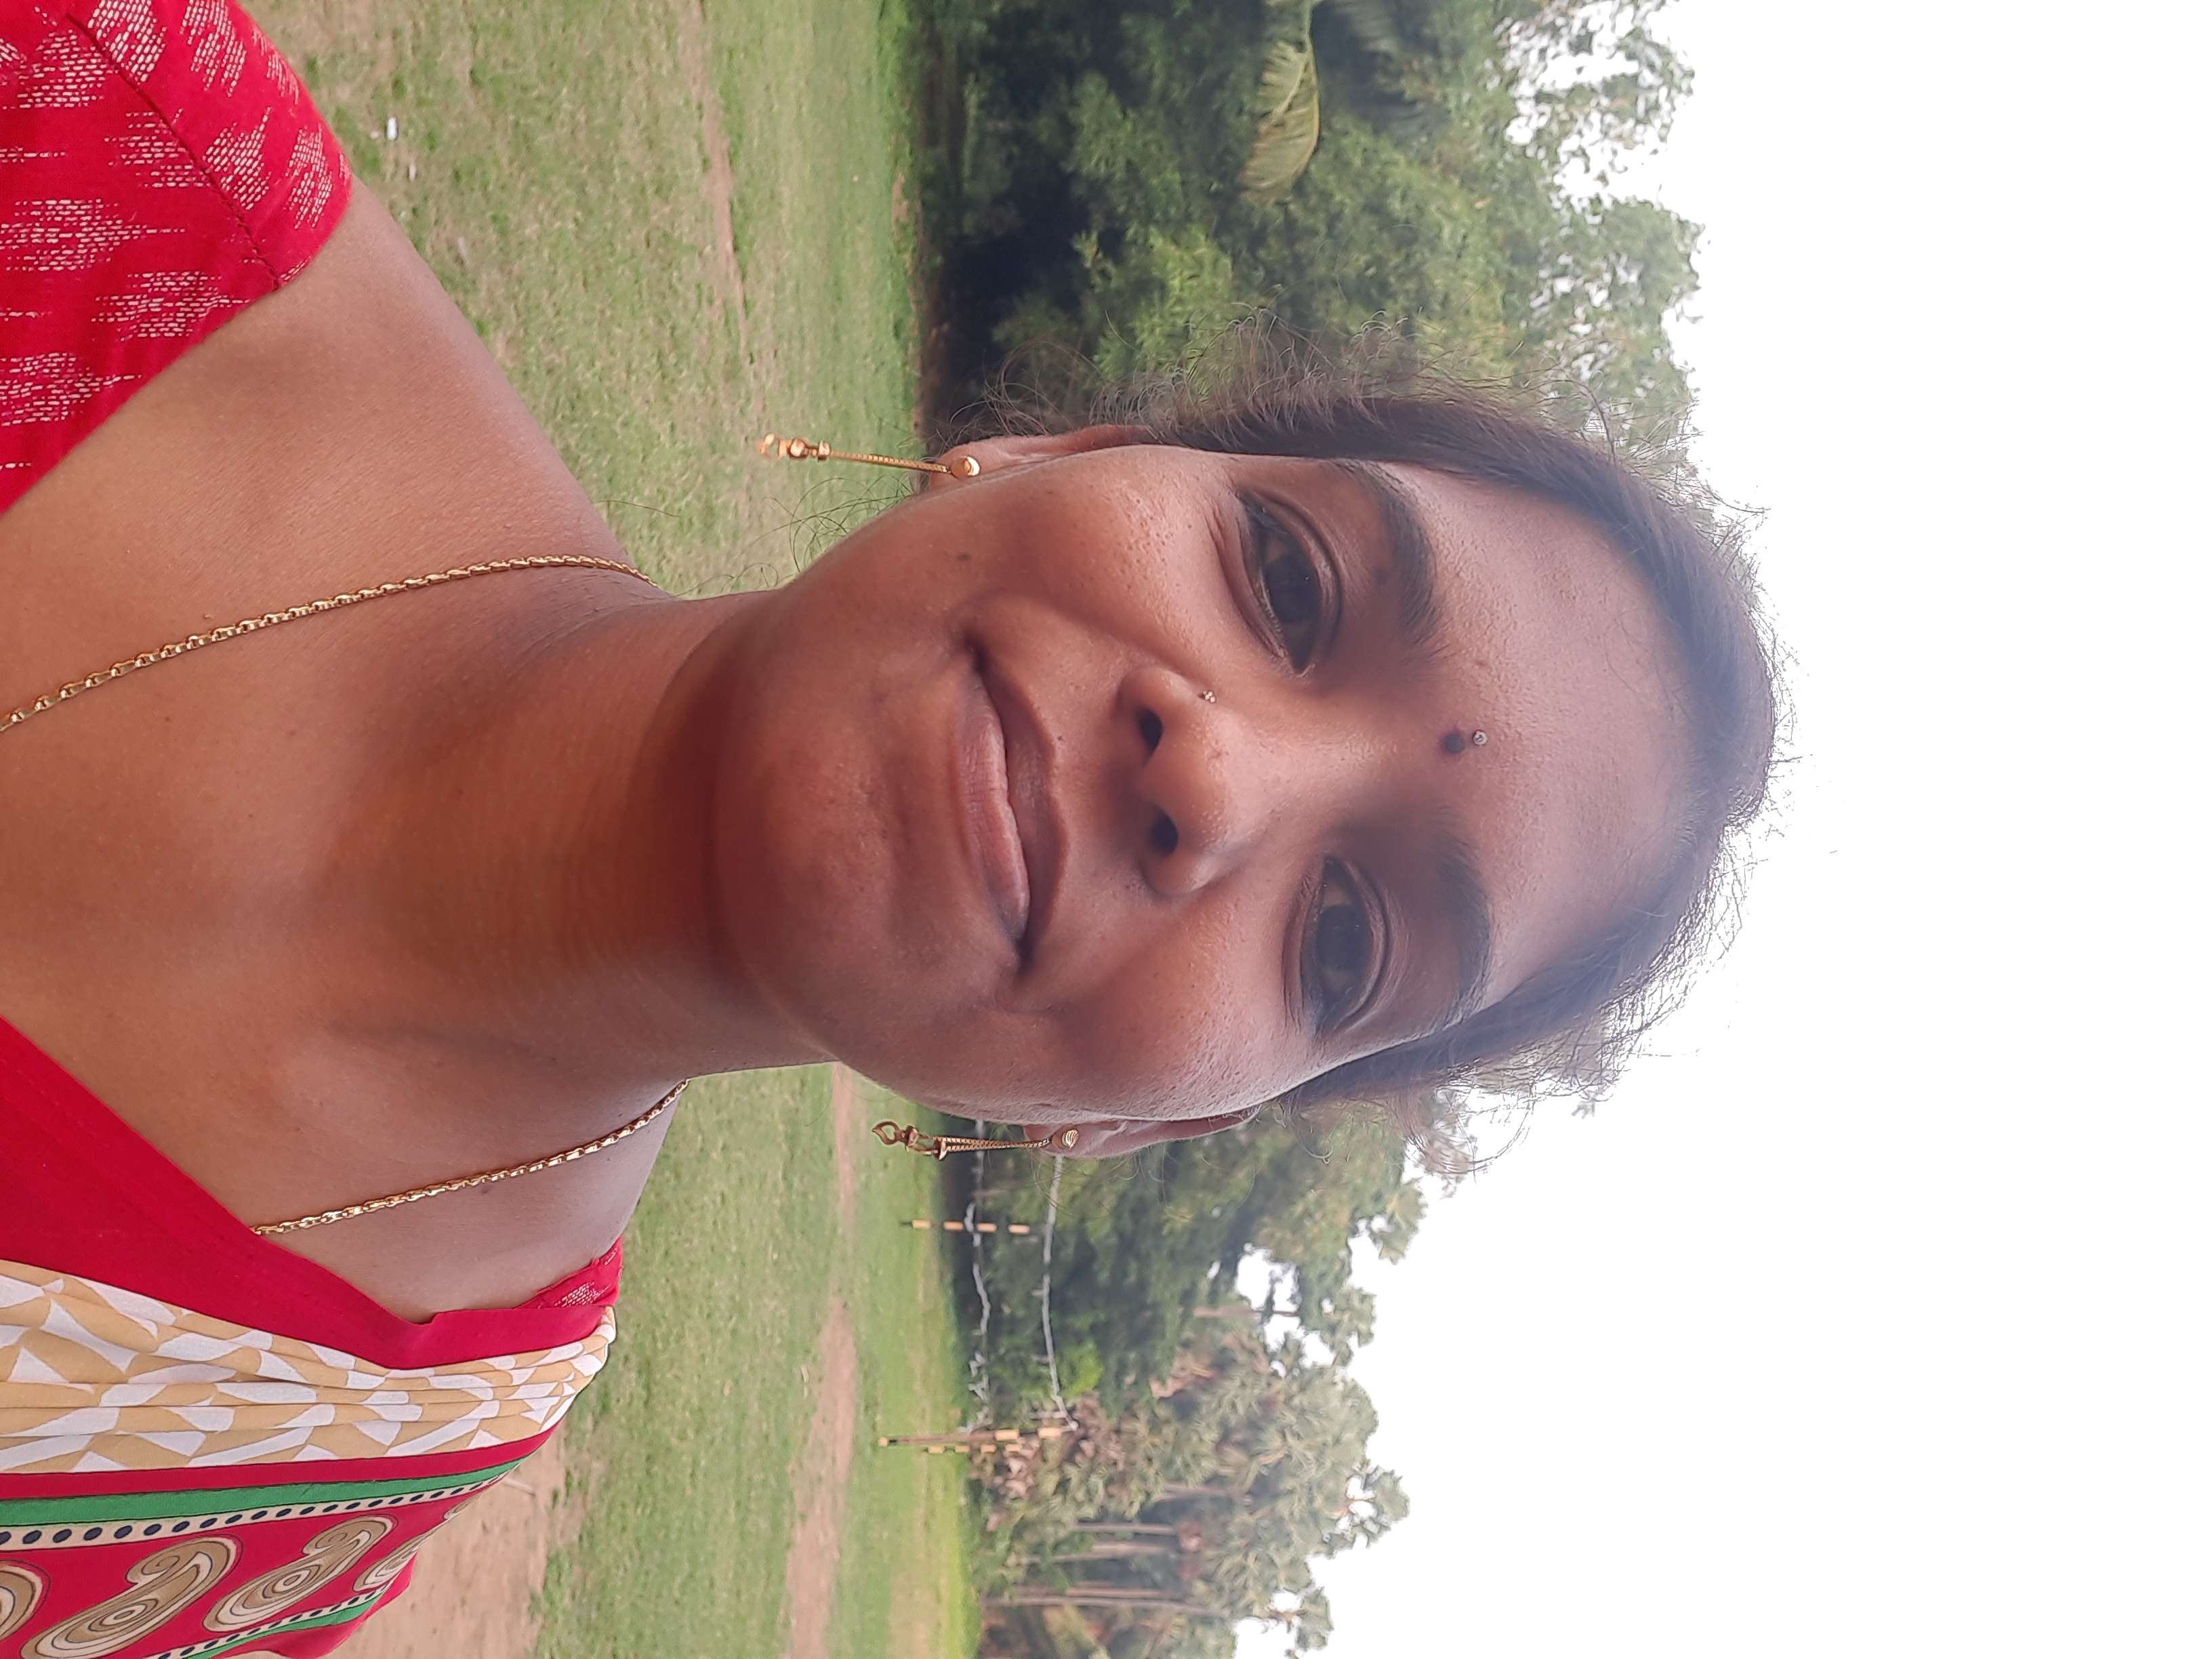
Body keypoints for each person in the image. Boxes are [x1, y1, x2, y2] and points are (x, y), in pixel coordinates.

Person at [0, 0, 1776, 1652]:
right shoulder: (90, 129)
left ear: (1170, 1118)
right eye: (1288, 580)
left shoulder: (327, 1466)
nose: (1218, 781)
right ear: (1054, 454)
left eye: (1341, 940)